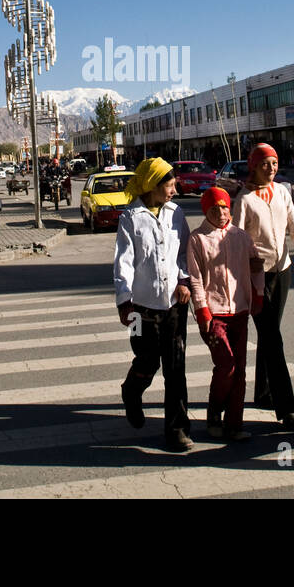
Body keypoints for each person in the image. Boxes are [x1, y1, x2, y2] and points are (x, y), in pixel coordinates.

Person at [113, 157, 193, 452]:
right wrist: (125, 302)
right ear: (153, 186)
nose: (174, 190)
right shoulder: (131, 218)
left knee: (176, 366)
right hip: (141, 307)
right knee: (147, 360)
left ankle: (177, 429)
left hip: (174, 302)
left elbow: (185, 253)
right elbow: (124, 263)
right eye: (170, 186)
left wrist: (184, 281)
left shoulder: (176, 213)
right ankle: (132, 393)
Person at [232, 142, 294, 429]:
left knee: (270, 335)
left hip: (284, 272)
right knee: (273, 338)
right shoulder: (244, 200)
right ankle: (286, 406)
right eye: (265, 164)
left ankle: (263, 392)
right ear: (253, 166)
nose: (271, 169)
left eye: (275, 164)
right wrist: (246, 265)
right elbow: (236, 239)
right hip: (258, 276)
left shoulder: (281, 192)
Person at [186, 187, 264, 442]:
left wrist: (259, 294)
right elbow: (195, 279)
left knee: (239, 369)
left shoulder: (241, 237)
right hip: (214, 313)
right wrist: (202, 310)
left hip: (240, 311)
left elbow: (256, 267)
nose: (220, 213)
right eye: (214, 209)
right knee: (226, 366)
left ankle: (234, 423)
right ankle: (213, 413)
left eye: (224, 207)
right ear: (206, 211)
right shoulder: (198, 239)